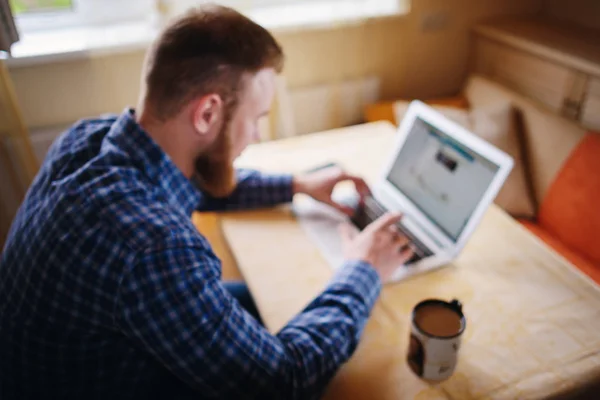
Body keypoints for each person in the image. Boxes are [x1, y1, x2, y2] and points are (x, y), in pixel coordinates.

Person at [0, 5, 413, 399]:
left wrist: (297, 185)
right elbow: (285, 382)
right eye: (255, 118)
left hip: (51, 360)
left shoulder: (89, 139)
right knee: (306, 323)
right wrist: (364, 268)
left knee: (274, 299)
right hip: (109, 386)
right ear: (206, 114)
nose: (255, 136)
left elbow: (196, 181)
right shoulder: (154, 249)